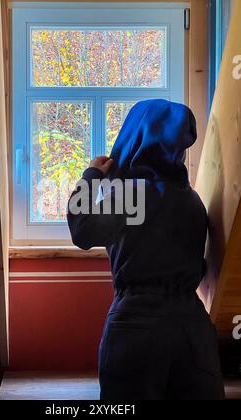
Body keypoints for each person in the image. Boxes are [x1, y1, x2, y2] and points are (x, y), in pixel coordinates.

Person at [67, 99, 225, 400]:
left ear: (133, 137)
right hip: (193, 329)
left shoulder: (133, 195)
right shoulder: (192, 201)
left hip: (137, 326)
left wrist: (91, 175)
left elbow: (82, 230)